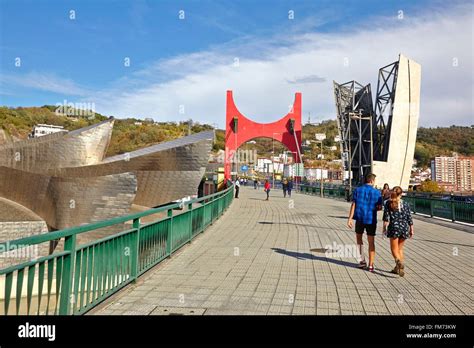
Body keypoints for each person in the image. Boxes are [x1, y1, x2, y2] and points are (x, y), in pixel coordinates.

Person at [347, 173, 383, 272]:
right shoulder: (377, 192)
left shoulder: (358, 190)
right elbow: (379, 207)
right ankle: (371, 265)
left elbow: (353, 204)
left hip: (360, 219)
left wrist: (350, 218)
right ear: (372, 181)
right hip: (371, 219)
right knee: (371, 242)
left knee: (359, 240)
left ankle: (362, 261)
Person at [383, 186, 414, 277]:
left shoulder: (389, 203)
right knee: (400, 249)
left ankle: (398, 261)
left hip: (394, 228)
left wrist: (384, 228)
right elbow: (409, 217)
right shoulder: (406, 204)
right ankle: (398, 268)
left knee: (394, 249)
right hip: (404, 228)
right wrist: (411, 229)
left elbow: (386, 218)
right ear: (401, 194)